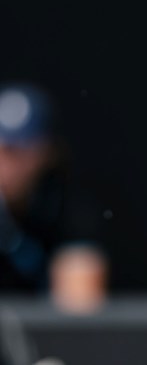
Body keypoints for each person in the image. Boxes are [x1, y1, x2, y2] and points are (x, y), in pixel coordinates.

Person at [0, 81, 108, 315]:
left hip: (44, 347)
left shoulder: (70, 210)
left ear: (46, 153)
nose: (4, 164)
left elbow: (78, 313)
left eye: (16, 151)